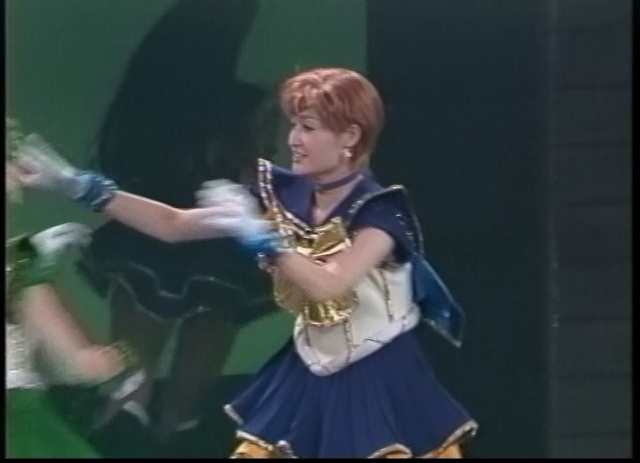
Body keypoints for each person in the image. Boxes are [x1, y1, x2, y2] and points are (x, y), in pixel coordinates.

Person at [14, 67, 478, 458]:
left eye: (308, 128)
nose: (292, 140)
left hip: (374, 382)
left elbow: (328, 286)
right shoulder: (281, 197)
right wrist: (78, 185)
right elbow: (172, 224)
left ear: (349, 137)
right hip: (307, 375)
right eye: (293, 126)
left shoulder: (380, 212)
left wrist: (259, 236)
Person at [75, 0, 274, 440]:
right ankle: (169, 434)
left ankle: (124, 431)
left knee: (128, 388)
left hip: (142, 234)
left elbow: (116, 165)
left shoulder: (143, 94)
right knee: (183, 406)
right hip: (217, 245)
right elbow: (253, 181)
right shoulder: (245, 105)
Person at [6, 121, 140, 458]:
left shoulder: (25, 260)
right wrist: (132, 360)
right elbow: (78, 368)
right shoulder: (24, 260)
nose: (21, 173)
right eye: (12, 160)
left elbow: (76, 367)